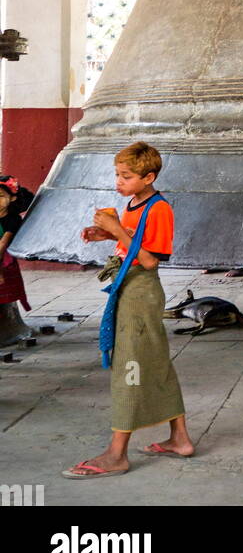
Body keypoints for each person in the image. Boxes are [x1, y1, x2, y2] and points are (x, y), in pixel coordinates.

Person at [62, 141, 194, 478]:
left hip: (141, 292)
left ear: (149, 177)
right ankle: (180, 439)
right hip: (127, 284)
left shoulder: (159, 208)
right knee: (155, 361)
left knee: (129, 366)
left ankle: (117, 453)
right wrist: (106, 237)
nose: (119, 182)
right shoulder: (134, 203)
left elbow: (150, 261)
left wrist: (115, 229)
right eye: (117, 175)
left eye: (127, 176)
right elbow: (135, 243)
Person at [0, 175, 35, 315]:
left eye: (1, 196)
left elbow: (3, 244)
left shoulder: (12, 220)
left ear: (12, 198)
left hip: (3, 259)